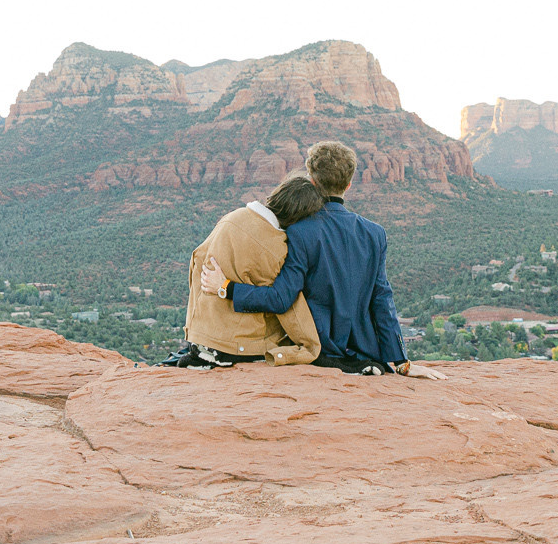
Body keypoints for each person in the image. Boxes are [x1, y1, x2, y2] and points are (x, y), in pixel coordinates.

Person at [199, 140, 410, 376]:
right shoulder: (375, 233)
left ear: (312, 181)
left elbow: (281, 298)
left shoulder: (299, 231)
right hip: (366, 352)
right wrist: (400, 360)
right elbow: (382, 300)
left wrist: (226, 288)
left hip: (321, 349)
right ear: (348, 185)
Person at [164, 174, 326, 368]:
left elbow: (197, 259)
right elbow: (285, 303)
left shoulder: (233, 217)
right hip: (235, 345)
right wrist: (309, 346)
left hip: (202, 336)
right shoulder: (276, 247)